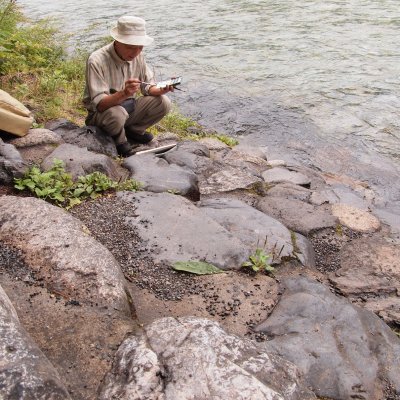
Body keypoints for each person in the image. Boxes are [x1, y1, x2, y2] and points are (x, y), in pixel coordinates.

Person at [83, 15, 174, 157]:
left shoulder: (138, 56)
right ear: (117, 41)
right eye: (131, 47)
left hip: (128, 110)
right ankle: (120, 142)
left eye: (140, 47)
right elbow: (100, 105)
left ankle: (134, 131)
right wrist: (124, 93)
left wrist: (163, 88)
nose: (136, 52)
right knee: (117, 113)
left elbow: (148, 88)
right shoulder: (96, 60)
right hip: (102, 116)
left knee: (163, 102)